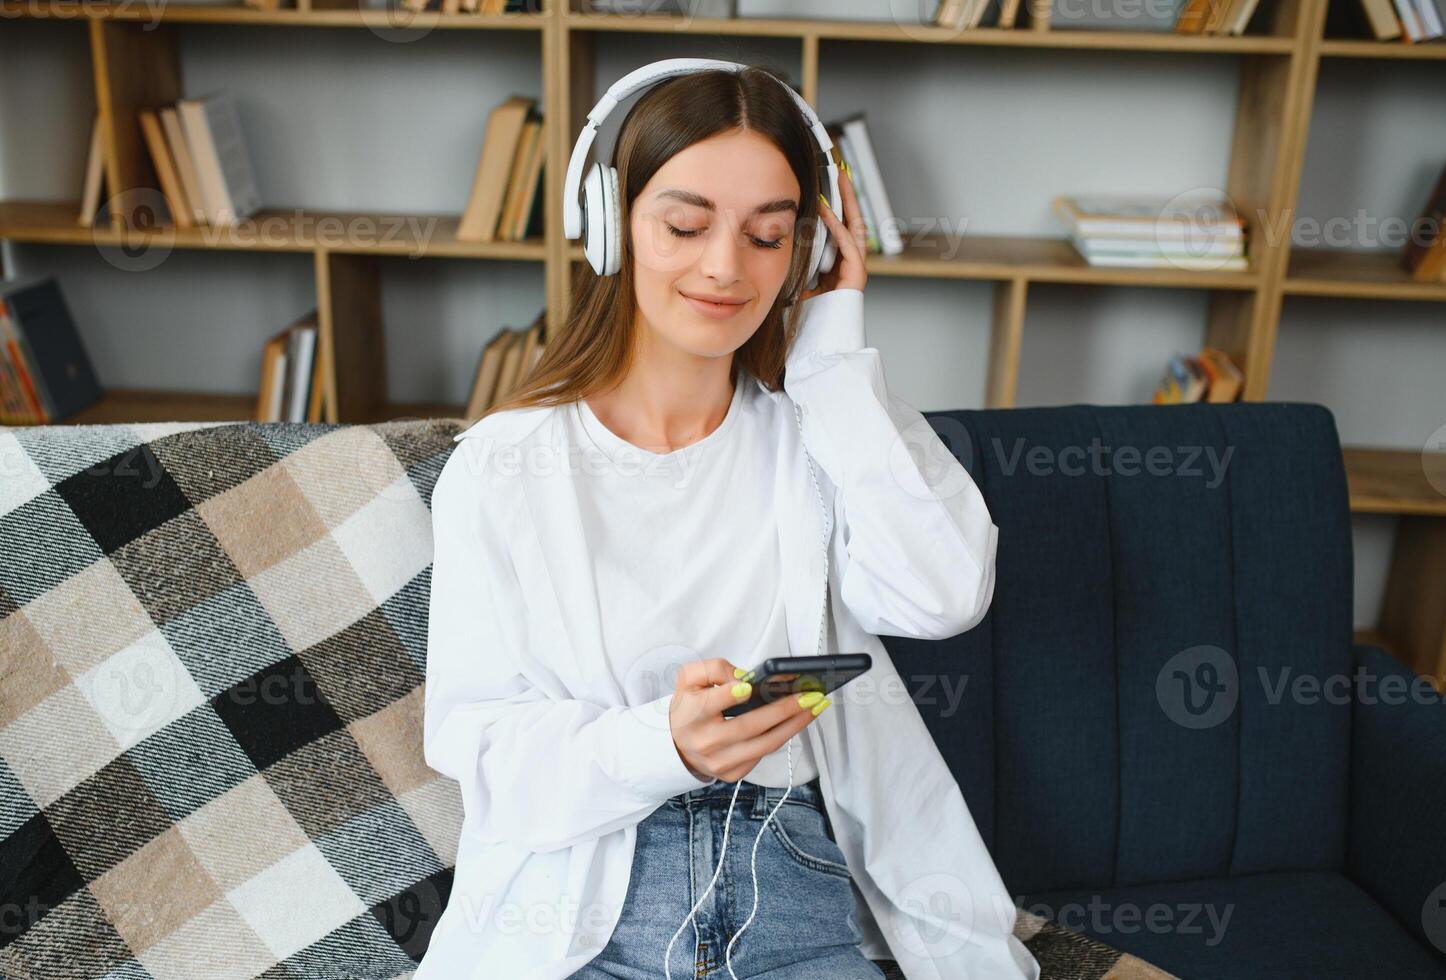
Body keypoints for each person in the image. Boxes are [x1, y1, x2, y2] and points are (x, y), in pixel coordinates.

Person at [418, 62, 1039, 980]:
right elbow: (480, 749)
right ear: (606, 225)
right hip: (591, 894)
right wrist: (663, 745)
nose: (724, 267)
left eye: (767, 236)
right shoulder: (503, 467)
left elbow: (942, 595)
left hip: (792, 874)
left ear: (808, 252)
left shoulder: (828, 431)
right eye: (684, 224)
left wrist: (830, 359)